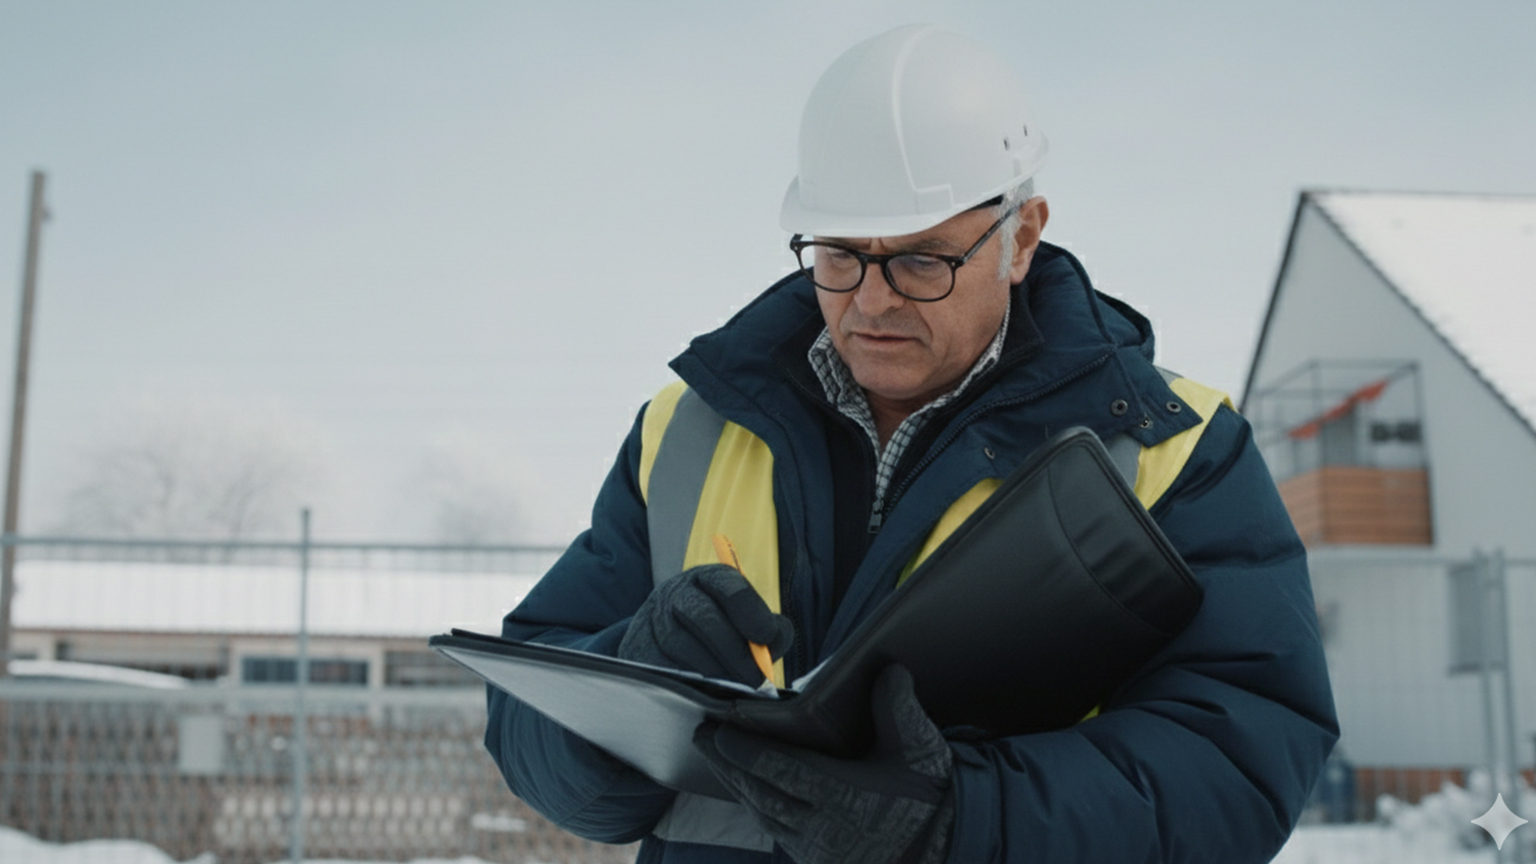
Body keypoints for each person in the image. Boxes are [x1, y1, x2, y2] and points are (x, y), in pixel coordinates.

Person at [485, 24, 1337, 864]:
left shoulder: (1171, 450)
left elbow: (1241, 758)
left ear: (1022, 238)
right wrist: (629, 679)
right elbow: (528, 710)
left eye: (923, 260)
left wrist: (965, 822)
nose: (873, 303)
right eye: (842, 256)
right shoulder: (687, 429)